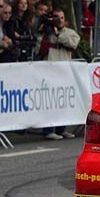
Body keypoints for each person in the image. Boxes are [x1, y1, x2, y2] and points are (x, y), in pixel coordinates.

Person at [39, 9, 79, 139]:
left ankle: (62, 129)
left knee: (63, 101)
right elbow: (38, 48)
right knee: (49, 101)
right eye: (56, 18)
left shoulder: (70, 33)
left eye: (61, 18)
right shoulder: (46, 32)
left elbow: (73, 43)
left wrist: (58, 36)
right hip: (49, 70)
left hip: (64, 71)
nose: (59, 20)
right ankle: (49, 130)